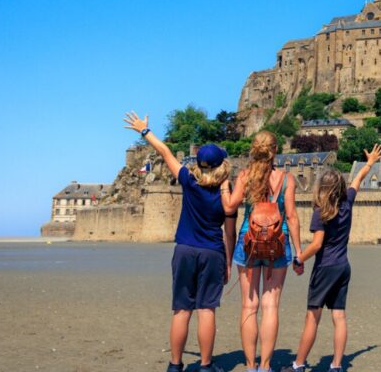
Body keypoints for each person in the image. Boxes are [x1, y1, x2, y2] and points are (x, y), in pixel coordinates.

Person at [123, 112, 237, 372]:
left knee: (181, 310)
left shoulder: (188, 180)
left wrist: (144, 130)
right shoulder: (226, 195)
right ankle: (206, 366)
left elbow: (165, 152)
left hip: (185, 250)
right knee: (207, 310)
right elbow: (229, 233)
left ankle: (175, 366)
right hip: (213, 253)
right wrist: (229, 263)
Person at [282, 144, 381, 372]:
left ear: (322, 188)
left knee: (312, 318)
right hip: (343, 267)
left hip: (325, 268)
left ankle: (298, 365)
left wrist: (298, 259)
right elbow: (358, 180)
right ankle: (336, 365)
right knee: (339, 317)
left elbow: (317, 244)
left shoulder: (321, 212)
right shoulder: (347, 201)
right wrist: (370, 163)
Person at [223, 131, 302, 372]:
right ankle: (266, 366)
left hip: (248, 243)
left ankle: (250, 366)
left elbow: (229, 206)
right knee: (270, 307)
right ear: (275, 150)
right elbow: (291, 216)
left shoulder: (245, 176)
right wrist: (298, 252)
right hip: (278, 244)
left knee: (249, 306)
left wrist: (223, 187)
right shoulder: (287, 179)